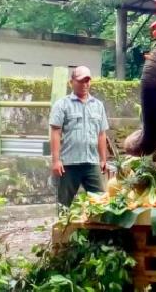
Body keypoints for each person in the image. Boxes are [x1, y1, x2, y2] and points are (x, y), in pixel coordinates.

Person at [49, 66, 109, 207]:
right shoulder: (62, 105)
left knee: (101, 203)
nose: (85, 84)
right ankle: (63, 229)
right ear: (72, 82)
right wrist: (56, 161)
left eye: (87, 81)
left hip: (91, 163)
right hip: (69, 164)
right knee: (64, 205)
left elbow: (101, 134)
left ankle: (96, 230)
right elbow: (55, 132)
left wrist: (103, 159)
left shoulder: (98, 106)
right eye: (81, 81)